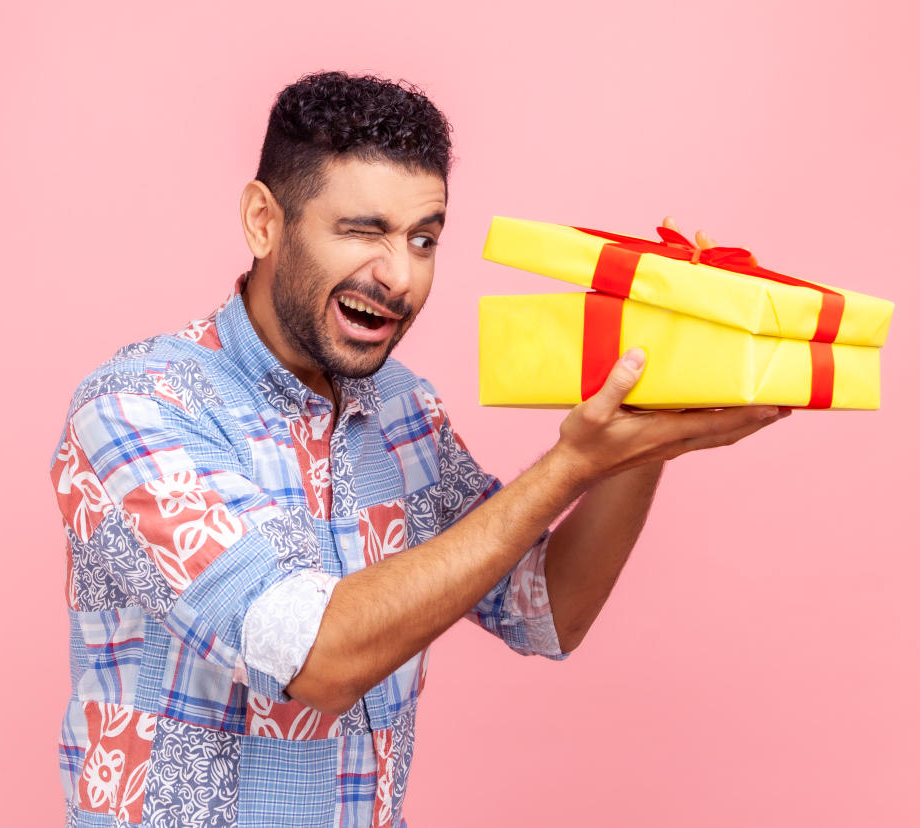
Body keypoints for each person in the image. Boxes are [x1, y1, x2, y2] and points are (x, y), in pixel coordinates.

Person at [50, 70, 790, 828]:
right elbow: (316, 660)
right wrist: (571, 464)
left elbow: (548, 608)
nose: (400, 276)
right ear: (264, 221)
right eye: (362, 231)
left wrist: (647, 420)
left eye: (423, 238)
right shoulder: (137, 409)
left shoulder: (403, 408)